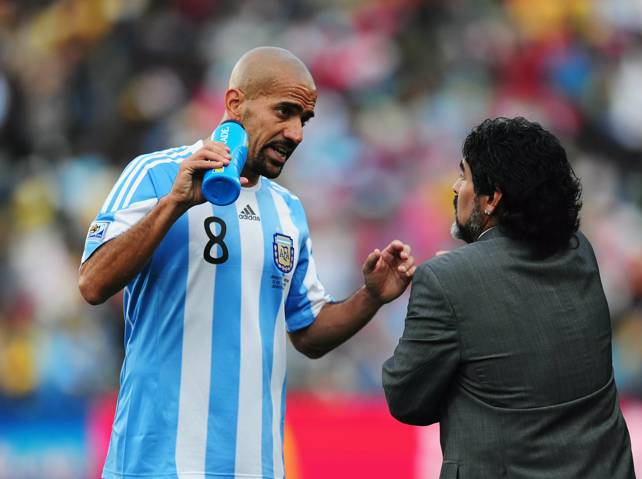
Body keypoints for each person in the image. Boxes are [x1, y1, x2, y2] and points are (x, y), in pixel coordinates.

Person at [78, 47, 416, 479]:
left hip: (254, 467)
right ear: (235, 103)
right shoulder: (155, 174)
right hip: (157, 463)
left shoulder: (288, 210)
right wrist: (175, 204)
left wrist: (371, 297)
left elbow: (308, 332)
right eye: (284, 112)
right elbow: (92, 283)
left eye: (304, 120)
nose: (295, 133)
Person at [382, 117, 635, 478]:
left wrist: (451, 282)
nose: (456, 186)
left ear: (492, 198)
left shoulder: (445, 281)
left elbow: (405, 399)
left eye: (464, 175)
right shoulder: (581, 252)